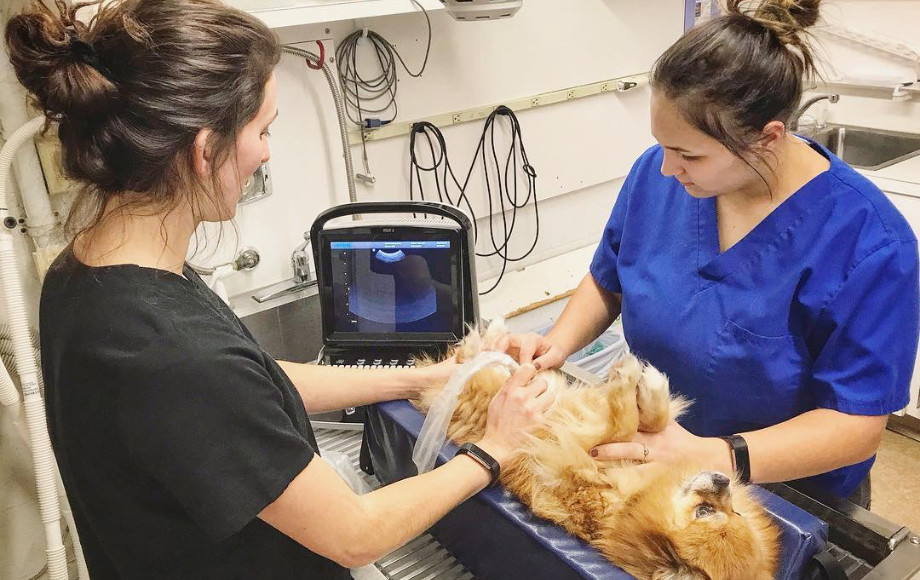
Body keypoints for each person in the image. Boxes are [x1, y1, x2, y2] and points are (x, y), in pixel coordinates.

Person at [5, 0, 554, 578]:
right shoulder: (171, 353)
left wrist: (423, 376)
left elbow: (250, 386)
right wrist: (495, 448)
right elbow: (355, 534)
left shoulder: (88, 271)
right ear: (203, 149)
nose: (266, 152)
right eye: (261, 130)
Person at [505, 0, 919, 508]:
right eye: (662, 147)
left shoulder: (868, 244)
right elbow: (610, 276)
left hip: (784, 493)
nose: (666, 169)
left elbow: (854, 426)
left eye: (689, 154)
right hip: (656, 459)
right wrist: (557, 344)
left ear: (768, 138)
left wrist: (713, 456)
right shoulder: (661, 178)